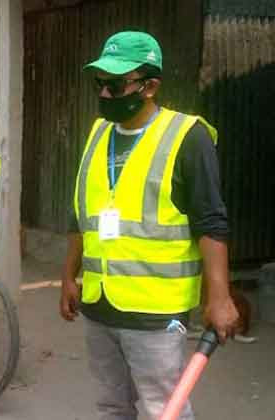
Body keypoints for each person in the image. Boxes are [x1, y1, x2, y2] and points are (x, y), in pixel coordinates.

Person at [59, 31, 239, 420]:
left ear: (150, 86)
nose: (106, 94)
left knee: (165, 410)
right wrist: (68, 276)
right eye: (101, 84)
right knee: (111, 407)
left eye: (117, 84)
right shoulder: (97, 134)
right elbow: (81, 213)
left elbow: (211, 222)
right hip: (99, 304)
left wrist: (219, 297)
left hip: (156, 313)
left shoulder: (187, 137)